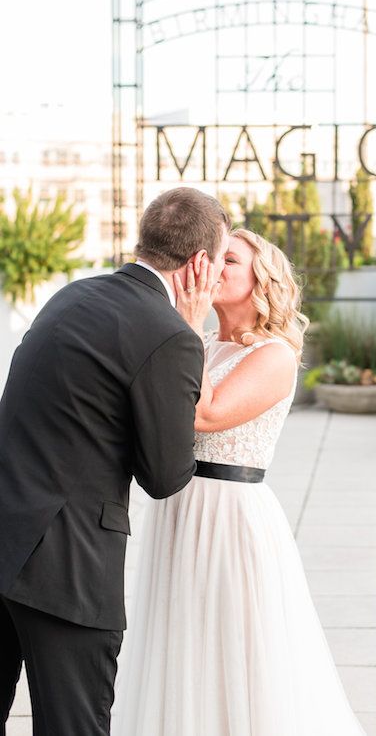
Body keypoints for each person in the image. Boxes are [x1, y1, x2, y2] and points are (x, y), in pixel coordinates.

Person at [112, 228, 367, 736]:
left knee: (234, 645)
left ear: (261, 280)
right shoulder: (201, 343)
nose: (212, 266)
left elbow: (204, 414)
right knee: (180, 640)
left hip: (231, 517)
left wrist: (183, 317)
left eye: (229, 259)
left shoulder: (273, 356)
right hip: (178, 508)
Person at [0, 186, 230, 736]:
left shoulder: (72, 294)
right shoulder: (171, 334)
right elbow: (166, 475)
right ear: (198, 263)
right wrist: (193, 332)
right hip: (65, 568)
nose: (220, 276)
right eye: (220, 262)